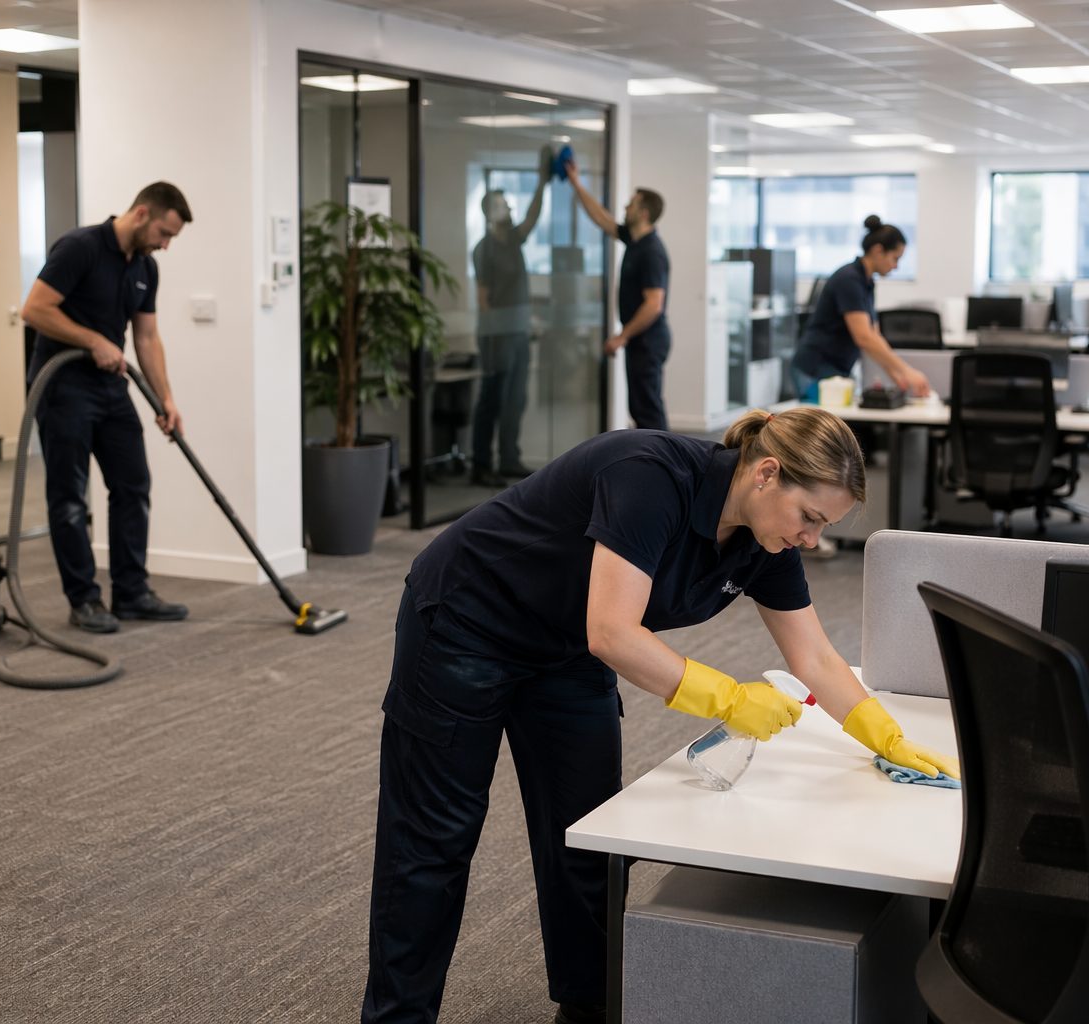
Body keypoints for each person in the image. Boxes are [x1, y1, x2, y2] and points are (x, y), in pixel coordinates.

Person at [361, 407, 958, 1024]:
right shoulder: (648, 476)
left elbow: (814, 656)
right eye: (809, 518)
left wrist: (885, 736)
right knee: (433, 841)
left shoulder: (764, 541)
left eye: (823, 526)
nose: (812, 539)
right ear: (767, 474)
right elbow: (613, 634)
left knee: (589, 837)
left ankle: (589, 1006)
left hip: (564, 649)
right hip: (468, 622)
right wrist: (728, 698)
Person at [19, 181, 193, 634]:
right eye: (164, 233)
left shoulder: (146, 268)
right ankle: (84, 600)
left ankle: (132, 592)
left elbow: (147, 337)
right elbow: (35, 309)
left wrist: (165, 399)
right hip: (62, 386)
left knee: (133, 485)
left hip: (111, 389)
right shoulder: (80, 248)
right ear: (141, 214)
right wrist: (93, 339)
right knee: (70, 497)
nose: (166, 244)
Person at [564, 161, 671, 430]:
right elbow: (602, 218)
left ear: (644, 213)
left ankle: (666, 466)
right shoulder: (635, 241)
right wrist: (577, 183)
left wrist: (622, 336)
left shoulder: (651, 252)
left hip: (648, 340)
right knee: (640, 407)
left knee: (647, 410)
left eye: (631, 204)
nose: (625, 208)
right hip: (641, 340)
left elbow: (653, 305)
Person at [791, 215, 931, 404]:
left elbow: (874, 336)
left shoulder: (866, 282)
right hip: (816, 367)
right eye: (895, 258)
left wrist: (896, 375)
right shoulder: (849, 280)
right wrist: (907, 371)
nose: (896, 266)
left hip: (834, 370)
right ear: (878, 250)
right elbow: (863, 337)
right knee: (823, 431)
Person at [471, 167, 549, 488]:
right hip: (496, 335)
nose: (510, 209)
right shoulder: (484, 248)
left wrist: (542, 180)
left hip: (517, 332)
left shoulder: (514, 240)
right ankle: (481, 464)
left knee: (516, 398)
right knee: (492, 398)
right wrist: (495, 335)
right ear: (490, 212)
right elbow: (483, 298)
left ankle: (509, 458)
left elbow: (532, 215)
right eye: (503, 204)